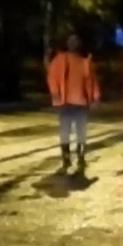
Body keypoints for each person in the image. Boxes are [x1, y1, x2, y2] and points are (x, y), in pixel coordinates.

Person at [47, 32, 99, 173]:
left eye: (75, 40)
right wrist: (55, 93)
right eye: (70, 40)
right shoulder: (59, 59)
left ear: (79, 43)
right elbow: (52, 77)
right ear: (66, 43)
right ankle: (66, 157)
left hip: (81, 102)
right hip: (65, 102)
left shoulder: (85, 61)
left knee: (81, 131)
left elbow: (92, 81)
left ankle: (81, 157)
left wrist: (95, 97)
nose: (73, 43)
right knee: (65, 130)